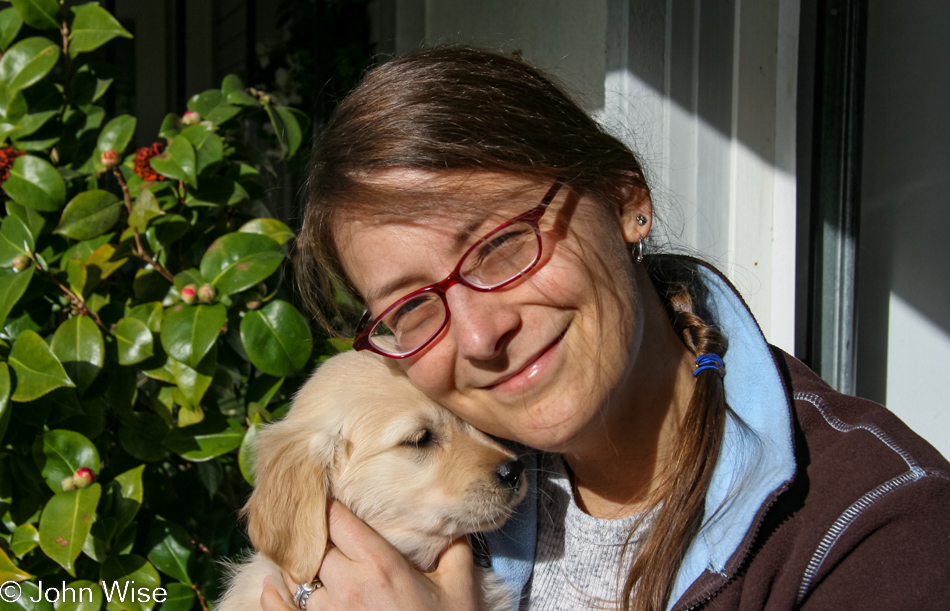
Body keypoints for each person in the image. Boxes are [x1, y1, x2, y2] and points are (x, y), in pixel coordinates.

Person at [259, 47, 950, 610]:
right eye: (412, 305)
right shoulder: (424, 501)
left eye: (502, 244)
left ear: (625, 201)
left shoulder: (877, 531)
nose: (478, 335)